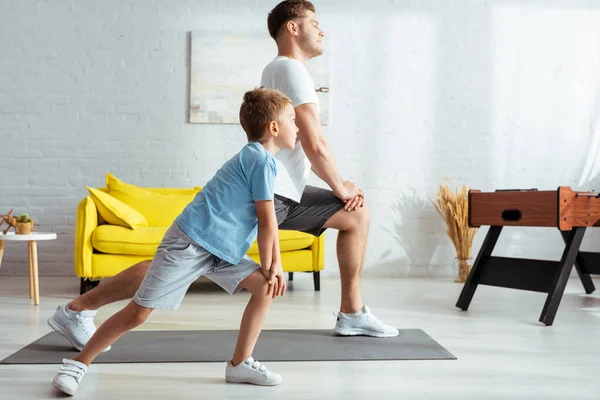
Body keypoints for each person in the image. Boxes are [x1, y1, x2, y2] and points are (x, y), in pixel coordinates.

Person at [47, 0, 397, 358]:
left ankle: (351, 313)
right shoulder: (292, 71)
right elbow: (314, 141)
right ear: (293, 28)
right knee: (171, 265)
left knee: (354, 216)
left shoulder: (280, 69)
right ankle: (77, 310)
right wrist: (342, 187)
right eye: (314, 23)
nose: (322, 30)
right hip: (276, 194)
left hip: (283, 190)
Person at [51, 88, 298, 395]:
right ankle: (77, 364)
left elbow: (268, 221)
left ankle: (240, 363)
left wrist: (274, 267)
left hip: (222, 250)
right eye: (292, 119)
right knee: (138, 313)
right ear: (274, 127)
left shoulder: (264, 161)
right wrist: (272, 264)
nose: (297, 126)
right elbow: (266, 219)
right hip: (191, 242)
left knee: (264, 288)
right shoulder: (259, 160)